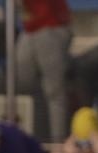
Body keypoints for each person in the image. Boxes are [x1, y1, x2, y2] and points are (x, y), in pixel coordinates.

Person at [16, 0, 72, 142]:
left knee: (54, 92)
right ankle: (34, 139)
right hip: (30, 29)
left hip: (52, 27)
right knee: (24, 86)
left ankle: (57, 146)